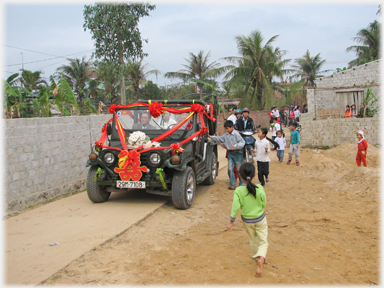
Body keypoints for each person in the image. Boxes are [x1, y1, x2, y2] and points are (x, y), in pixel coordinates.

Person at [227, 162, 268, 277]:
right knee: (263, 240)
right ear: (254, 175)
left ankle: (257, 256)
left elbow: (235, 207)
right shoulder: (259, 188)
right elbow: (264, 202)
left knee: (253, 238)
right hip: (260, 218)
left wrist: (231, 221)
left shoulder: (238, 191)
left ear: (240, 175)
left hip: (247, 221)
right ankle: (262, 257)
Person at [209, 120, 245, 190]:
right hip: (231, 154)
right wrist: (210, 136)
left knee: (239, 170)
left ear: (232, 127)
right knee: (230, 169)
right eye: (226, 128)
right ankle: (233, 184)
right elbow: (219, 139)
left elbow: (242, 142)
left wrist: (236, 146)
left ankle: (242, 184)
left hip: (238, 153)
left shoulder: (237, 134)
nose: (227, 130)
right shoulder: (226, 135)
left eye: (228, 128)